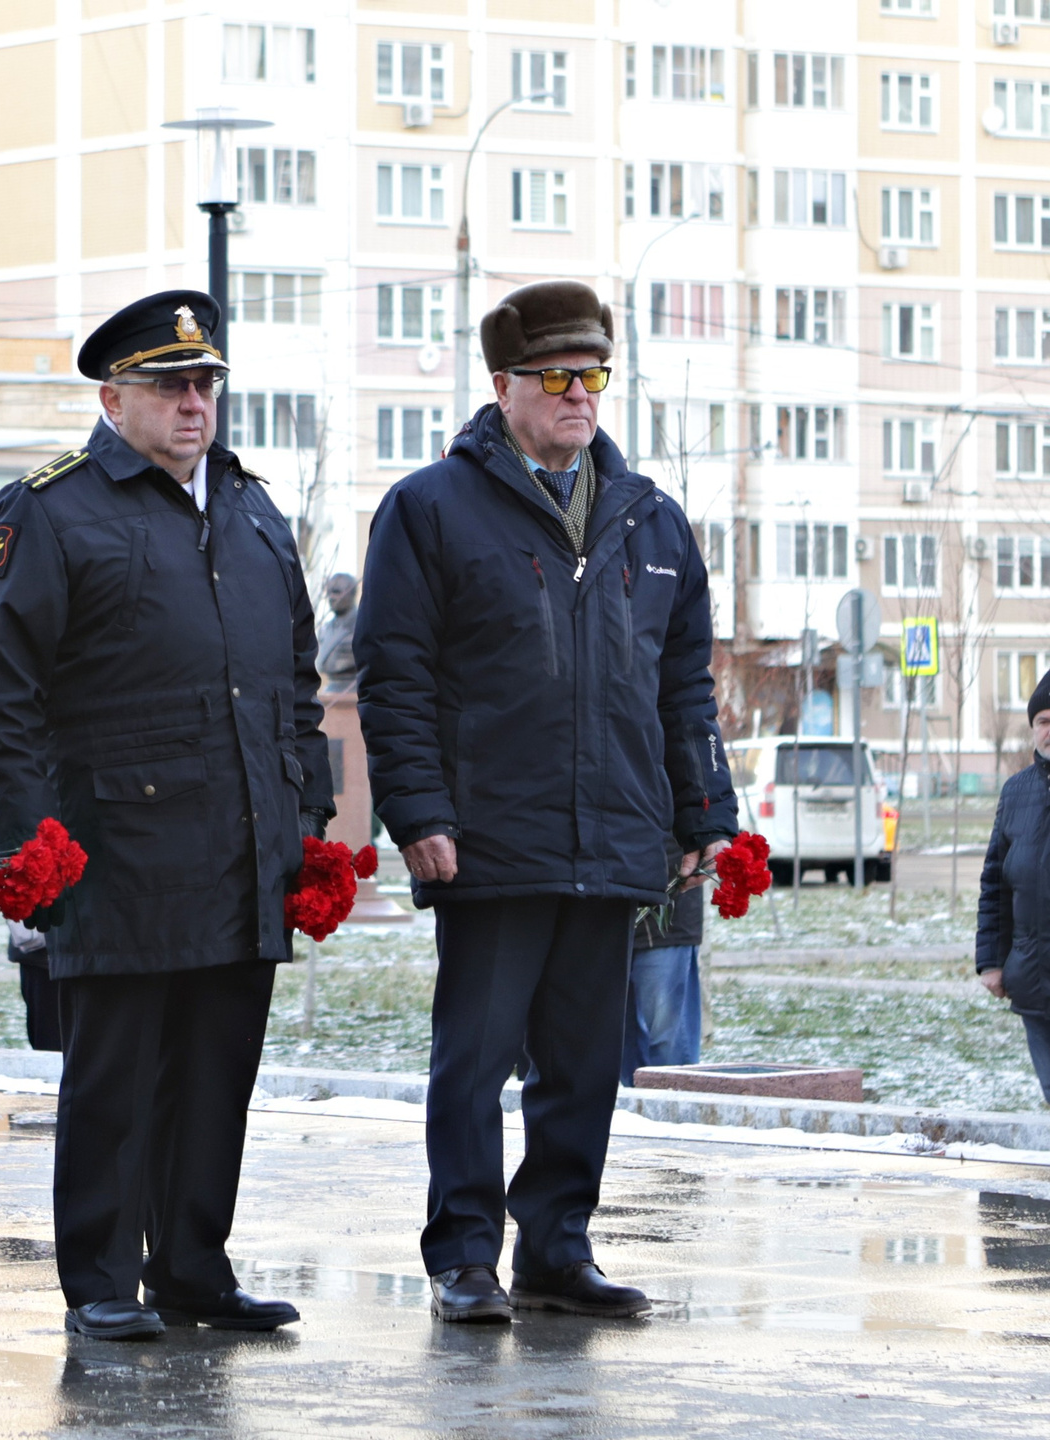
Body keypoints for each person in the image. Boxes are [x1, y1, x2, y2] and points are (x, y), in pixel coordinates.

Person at [356, 279, 736, 1323]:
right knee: (475, 1060)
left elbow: (683, 681)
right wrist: (419, 815)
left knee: (583, 1065)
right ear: (504, 385)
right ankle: (465, 1255)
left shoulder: (649, 517)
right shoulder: (430, 507)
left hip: (614, 834)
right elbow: (395, 674)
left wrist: (704, 812)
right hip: (489, 837)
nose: (579, 394)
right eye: (557, 376)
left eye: (594, 375)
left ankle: (556, 1249)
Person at [0, 289, 330, 1342]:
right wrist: (26, 840)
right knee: (117, 1080)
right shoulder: (50, 509)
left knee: (217, 1078)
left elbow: (294, 680)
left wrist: (303, 819)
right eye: (169, 386)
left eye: (204, 384)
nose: (192, 404)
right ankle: (98, 1280)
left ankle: (192, 1269)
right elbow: (0, 687)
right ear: (111, 397)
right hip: (116, 848)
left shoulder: (254, 509)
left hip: (241, 845)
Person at [976, 676, 1050, 1107]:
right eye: (1042, 720)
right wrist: (990, 961)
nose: (1049, 729)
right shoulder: (1015, 791)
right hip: (1034, 975)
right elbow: (994, 884)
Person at [621, 884, 705, 1083]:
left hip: (668, 922)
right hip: (607, 915)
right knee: (620, 1041)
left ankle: (676, 1106)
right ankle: (634, 1106)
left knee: (668, 1044)